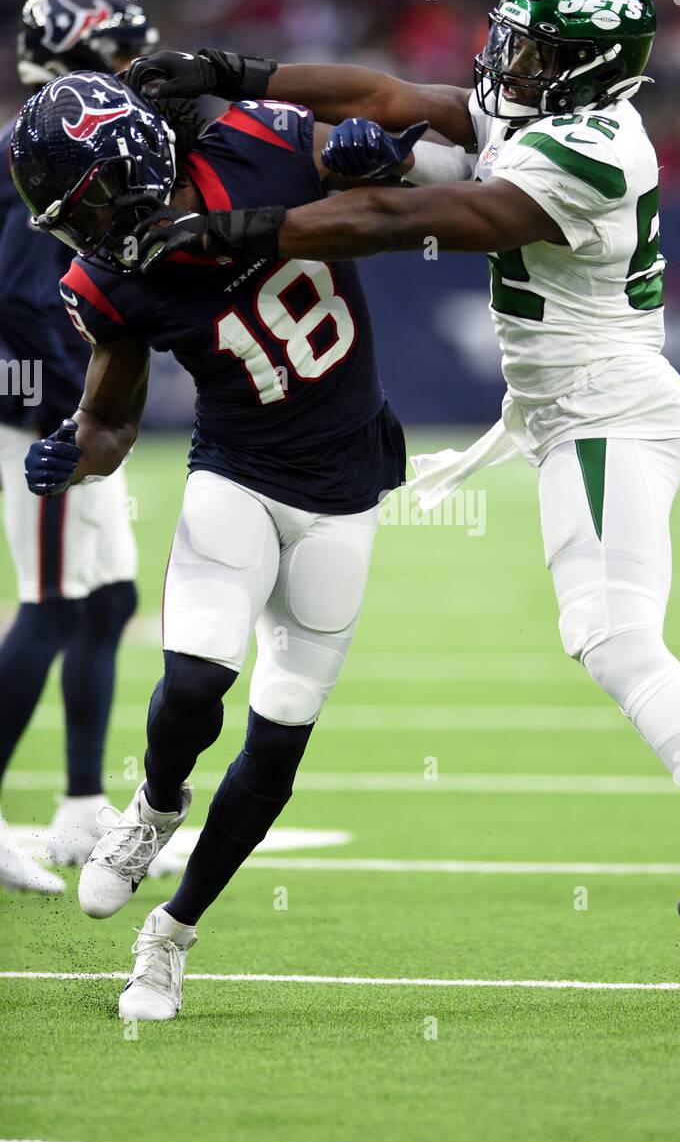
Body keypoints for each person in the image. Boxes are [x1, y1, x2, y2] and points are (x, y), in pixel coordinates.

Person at [123, 0, 680, 987]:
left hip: (605, 409)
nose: (511, 60)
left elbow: (399, 221)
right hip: (572, 410)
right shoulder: (548, 112)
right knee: (607, 635)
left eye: (539, 49)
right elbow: (384, 96)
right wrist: (233, 68)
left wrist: (231, 229)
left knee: (610, 637)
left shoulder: (598, 150)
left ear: (593, 68)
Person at [10, 60, 408, 1018]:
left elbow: (397, 175)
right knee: (194, 680)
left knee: (278, 741)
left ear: (135, 159)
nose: (88, 230)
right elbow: (110, 420)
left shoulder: (258, 147)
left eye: (91, 204)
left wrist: (373, 153)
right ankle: (152, 805)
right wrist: (76, 449)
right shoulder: (109, 277)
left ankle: (172, 934)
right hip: (236, 468)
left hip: (345, 487)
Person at [0, 0, 160, 894]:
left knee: (106, 599)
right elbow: (20, 294)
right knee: (54, 601)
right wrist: (80, 409)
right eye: (121, 52)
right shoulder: (46, 142)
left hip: (58, 403)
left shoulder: (62, 129)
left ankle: (79, 806)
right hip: (39, 413)